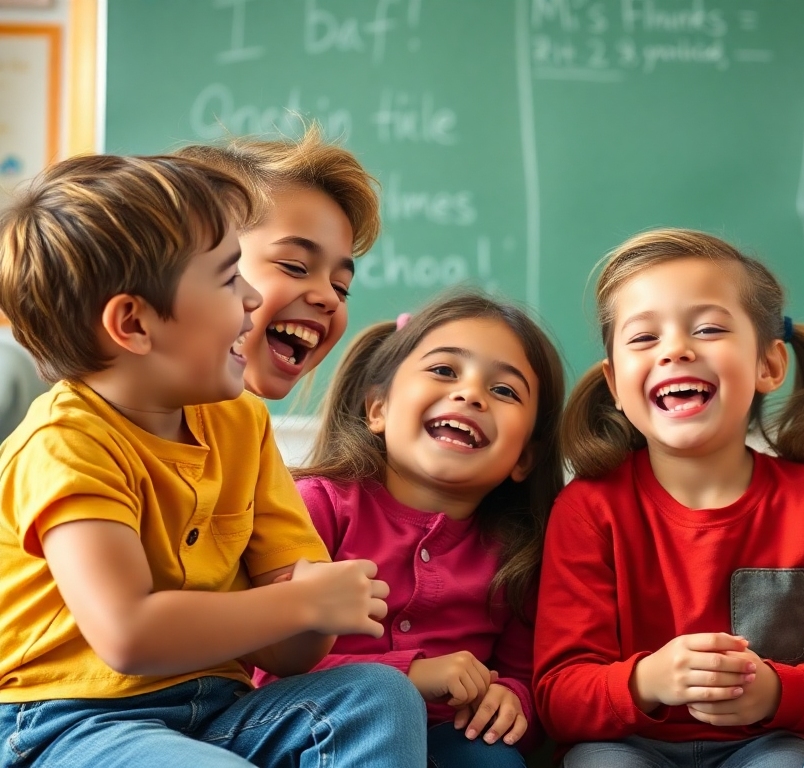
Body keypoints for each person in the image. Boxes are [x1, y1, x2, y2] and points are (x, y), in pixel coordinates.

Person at [0, 154, 425, 767]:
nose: (251, 298)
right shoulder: (66, 444)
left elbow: (288, 656)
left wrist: (318, 605)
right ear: (134, 323)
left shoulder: (239, 421)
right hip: (71, 721)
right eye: (230, 279)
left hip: (215, 709)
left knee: (378, 698)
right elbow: (129, 634)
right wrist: (300, 603)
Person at [535, 228, 804, 767]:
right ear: (614, 383)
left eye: (708, 328)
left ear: (769, 365)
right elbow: (559, 698)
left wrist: (773, 692)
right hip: (623, 744)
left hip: (769, 745)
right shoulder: (588, 508)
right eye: (644, 338)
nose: (676, 349)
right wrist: (647, 680)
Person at [258, 289, 565, 766]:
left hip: (446, 741)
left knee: (493, 757)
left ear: (525, 456)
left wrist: (512, 700)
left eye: (504, 390)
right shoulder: (316, 507)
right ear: (377, 408)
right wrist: (412, 675)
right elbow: (265, 671)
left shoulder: (521, 552)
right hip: (317, 735)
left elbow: (529, 679)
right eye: (444, 370)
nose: (470, 395)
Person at [178, 125, 380, 400]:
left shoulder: (247, 427)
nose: (330, 299)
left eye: (341, 287)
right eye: (295, 267)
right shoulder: (102, 428)